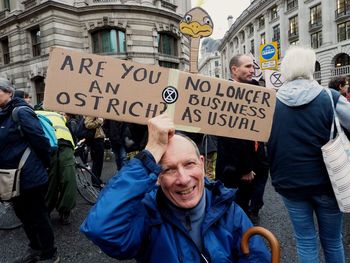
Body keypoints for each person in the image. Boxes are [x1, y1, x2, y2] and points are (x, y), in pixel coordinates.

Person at [80, 114, 271, 262]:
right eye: (169, 169)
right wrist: (151, 153)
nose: (183, 179)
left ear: (202, 164)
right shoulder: (148, 214)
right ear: (156, 176)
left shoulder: (230, 212)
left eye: (189, 164)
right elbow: (101, 229)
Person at [268, 46, 349, 263]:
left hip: (289, 182)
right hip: (329, 182)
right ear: (311, 67)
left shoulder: (270, 102)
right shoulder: (329, 97)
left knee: (304, 240)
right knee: (332, 240)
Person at [0, 78, 60, 262]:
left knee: (38, 216)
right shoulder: (2, 114)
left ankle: (50, 253)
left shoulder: (21, 112)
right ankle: (35, 248)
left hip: (30, 175)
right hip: (10, 179)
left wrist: (44, 164)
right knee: (23, 216)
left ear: (9, 92)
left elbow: (40, 141)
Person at [215, 54, 269, 224]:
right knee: (237, 209)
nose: (252, 70)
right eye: (247, 67)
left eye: (253, 66)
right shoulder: (224, 93)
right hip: (236, 166)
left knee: (254, 197)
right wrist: (244, 169)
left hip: (258, 158)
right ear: (234, 69)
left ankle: (254, 212)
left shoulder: (257, 91)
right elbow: (229, 137)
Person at [37, 110, 77, 225]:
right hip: (60, 145)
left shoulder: (34, 113)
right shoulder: (57, 115)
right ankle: (60, 211)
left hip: (56, 145)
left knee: (57, 180)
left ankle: (53, 211)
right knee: (65, 179)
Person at [84, 116, 105, 184]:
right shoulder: (91, 114)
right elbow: (88, 124)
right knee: (97, 162)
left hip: (98, 140)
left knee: (98, 162)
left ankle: (96, 179)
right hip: (96, 140)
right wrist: (99, 121)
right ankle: (95, 181)